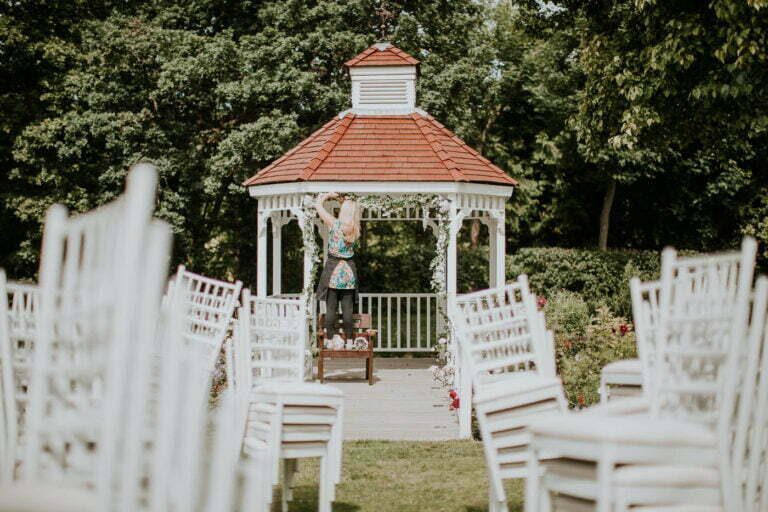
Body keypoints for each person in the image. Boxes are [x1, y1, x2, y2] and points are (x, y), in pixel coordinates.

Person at [314, 192, 361, 346]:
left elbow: (318, 207)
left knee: (331, 308)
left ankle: (329, 340)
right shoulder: (355, 229)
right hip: (348, 274)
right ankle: (349, 341)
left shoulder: (335, 225)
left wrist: (326, 196)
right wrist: (345, 201)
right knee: (348, 310)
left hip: (334, 273)